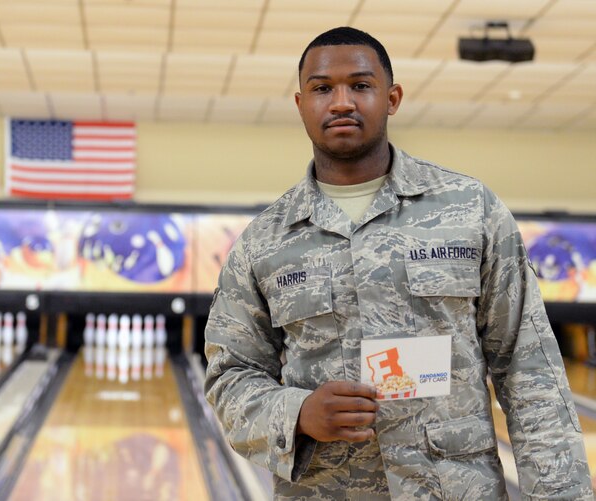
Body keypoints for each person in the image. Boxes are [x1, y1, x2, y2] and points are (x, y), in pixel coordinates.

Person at [204, 26, 593, 500]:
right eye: (323, 88)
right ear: (300, 103)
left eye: (361, 86)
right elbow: (230, 377)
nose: (342, 101)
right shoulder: (262, 242)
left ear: (392, 98)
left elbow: (528, 368)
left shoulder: (472, 209)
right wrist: (298, 412)